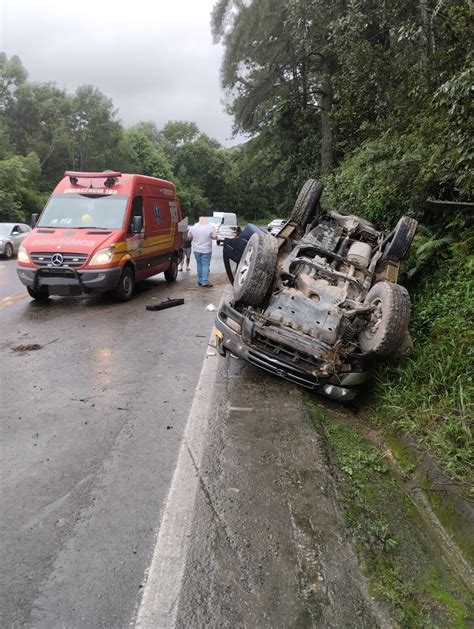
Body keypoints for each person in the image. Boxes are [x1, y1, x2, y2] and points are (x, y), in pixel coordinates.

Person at [188, 217, 217, 287]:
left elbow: (189, 238)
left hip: (196, 249)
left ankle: (200, 280)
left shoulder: (193, 227)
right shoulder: (210, 227)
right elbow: (214, 237)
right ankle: (205, 281)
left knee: (199, 264)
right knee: (205, 265)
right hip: (206, 250)